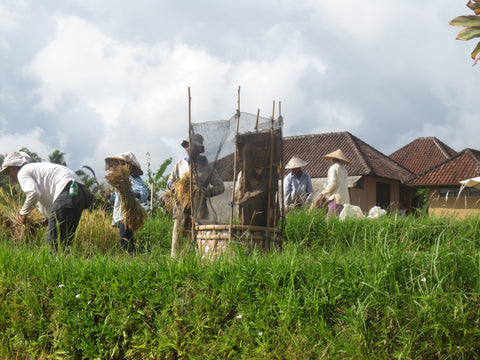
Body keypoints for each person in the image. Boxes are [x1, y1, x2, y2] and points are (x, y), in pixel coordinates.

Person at [0, 151, 93, 249]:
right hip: (80, 194)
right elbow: (55, 209)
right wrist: (43, 221)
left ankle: (53, 262)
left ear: (14, 167)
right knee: (65, 241)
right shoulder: (40, 170)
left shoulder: (23, 171)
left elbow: (33, 193)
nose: (10, 176)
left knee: (53, 240)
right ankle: (63, 262)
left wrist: (22, 215)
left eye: (9, 172)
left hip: (65, 192)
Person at [167, 133, 224, 257]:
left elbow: (220, 187)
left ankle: (200, 263)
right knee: (179, 235)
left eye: (190, 145)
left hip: (200, 209)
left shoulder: (208, 169)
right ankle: (176, 263)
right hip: (181, 207)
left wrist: (204, 191)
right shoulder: (181, 164)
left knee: (199, 237)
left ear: (199, 149)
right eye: (186, 146)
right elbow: (170, 180)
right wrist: (174, 186)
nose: (187, 148)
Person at [105, 152, 149, 254]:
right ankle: (132, 258)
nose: (119, 165)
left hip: (128, 213)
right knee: (126, 238)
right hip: (121, 213)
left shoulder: (133, 178)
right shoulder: (121, 181)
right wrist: (108, 197)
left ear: (128, 165)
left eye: (122, 163)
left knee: (124, 238)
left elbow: (144, 193)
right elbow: (117, 199)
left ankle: (131, 258)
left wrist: (134, 195)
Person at [315, 149, 350, 217]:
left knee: (333, 219)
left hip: (336, 198)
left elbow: (333, 183)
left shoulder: (333, 168)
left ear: (333, 159)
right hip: (345, 199)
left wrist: (323, 193)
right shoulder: (344, 170)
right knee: (342, 218)